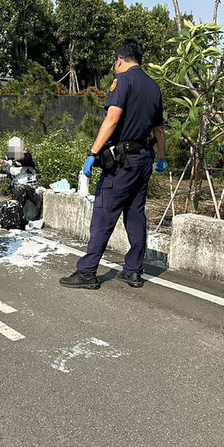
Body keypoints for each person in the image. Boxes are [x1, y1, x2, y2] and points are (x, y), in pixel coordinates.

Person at [59, 40, 167, 290]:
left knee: (104, 213)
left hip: (123, 163)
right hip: (143, 161)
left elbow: (112, 118)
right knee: (135, 215)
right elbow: (159, 129)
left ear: (120, 60)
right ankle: (133, 271)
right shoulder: (153, 86)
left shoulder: (124, 81)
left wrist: (92, 152)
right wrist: (161, 156)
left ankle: (87, 272)